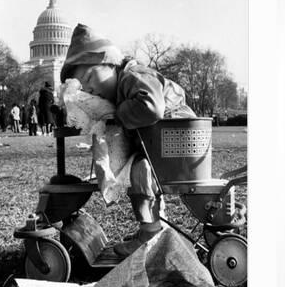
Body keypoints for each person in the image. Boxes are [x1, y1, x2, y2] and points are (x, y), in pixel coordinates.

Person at [60, 23, 195, 257]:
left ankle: (150, 234)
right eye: (86, 87)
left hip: (178, 144)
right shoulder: (125, 83)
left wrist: (118, 115)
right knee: (139, 170)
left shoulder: (132, 76)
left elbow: (152, 108)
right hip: (167, 145)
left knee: (139, 172)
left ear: (110, 62)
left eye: (91, 77)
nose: (92, 89)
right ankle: (153, 228)